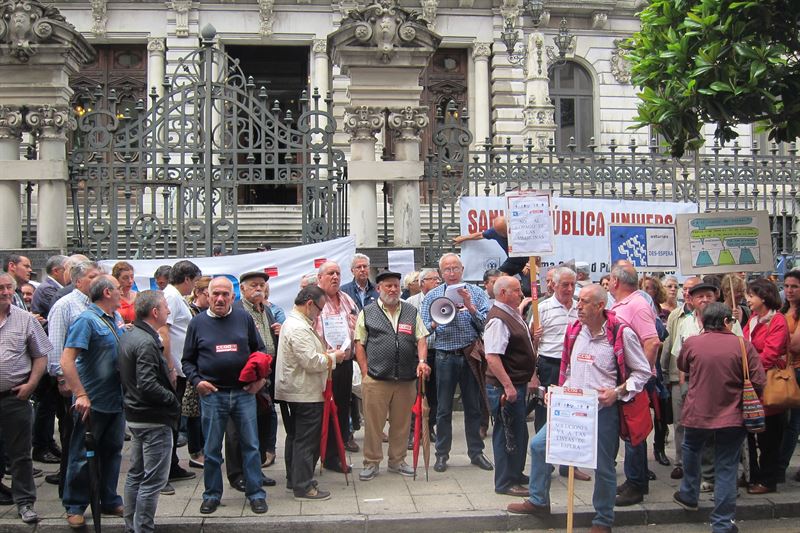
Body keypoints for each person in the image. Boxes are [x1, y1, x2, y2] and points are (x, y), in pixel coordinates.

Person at [508, 284, 651, 533]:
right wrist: (559, 392)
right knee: (539, 446)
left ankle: (603, 520)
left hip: (602, 410)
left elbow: (642, 372)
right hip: (571, 406)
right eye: (579, 301)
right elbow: (570, 369)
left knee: (603, 466)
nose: (579, 306)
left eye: (584, 302)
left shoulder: (620, 333)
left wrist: (616, 392)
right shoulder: (575, 329)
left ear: (600, 306)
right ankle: (539, 500)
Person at [674, 302, 766, 533]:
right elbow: (759, 381)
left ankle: (689, 493)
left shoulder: (693, 342)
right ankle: (722, 523)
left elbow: (682, 364)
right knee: (726, 466)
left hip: (697, 413)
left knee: (691, 450)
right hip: (732, 415)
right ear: (726, 321)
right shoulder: (742, 346)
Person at [181, 277, 268, 515]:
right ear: (207, 296)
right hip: (213, 395)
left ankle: (256, 494)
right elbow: (187, 361)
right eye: (215, 294)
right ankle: (211, 495)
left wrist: (259, 380)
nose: (220, 299)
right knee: (211, 449)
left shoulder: (244, 319)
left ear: (233, 296)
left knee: (251, 446)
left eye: (225, 294)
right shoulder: (197, 323)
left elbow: (260, 351)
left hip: (243, 394)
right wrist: (198, 382)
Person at [60, 275, 127, 528]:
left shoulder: (115, 319)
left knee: (112, 452)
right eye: (119, 289)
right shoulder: (86, 321)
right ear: (107, 292)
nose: (123, 292)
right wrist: (81, 394)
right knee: (81, 455)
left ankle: (108, 499)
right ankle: (75, 505)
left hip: (115, 400)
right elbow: (67, 360)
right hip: (93, 402)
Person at [354, 271, 430, 481]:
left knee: (401, 423)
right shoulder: (367, 312)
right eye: (388, 286)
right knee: (373, 424)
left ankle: (397, 461)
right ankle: (371, 461)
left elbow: (421, 338)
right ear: (379, 289)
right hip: (376, 378)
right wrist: (364, 371)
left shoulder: (410, 310)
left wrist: (422, 362)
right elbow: (359, 344)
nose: (393, 290)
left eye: (396, 285)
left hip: (406, 378)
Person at [421, 253, 492, 473]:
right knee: (443, 408)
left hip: (470, 354)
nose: (451, 273)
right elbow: (424, 331)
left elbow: (486, 326)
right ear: (441, 274)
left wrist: (470, 307)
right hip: (444, 356)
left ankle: (476, 452)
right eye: (447, 270)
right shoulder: (432, 295)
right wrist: (438, 322)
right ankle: (442, 454)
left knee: (473, 406)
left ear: (462, 270)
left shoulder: (477, 293)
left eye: (455, 268)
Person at [275, 285, 345, 500]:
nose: (320, 313)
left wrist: (326, 354)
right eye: (320, 308)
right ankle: (303, 486)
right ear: (309, 304)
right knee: (306, 441)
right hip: (304, 392)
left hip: (298, 390)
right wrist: (334, 358)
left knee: (296, 438)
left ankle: (294, 479)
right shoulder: (298, 327)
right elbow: (311, 362)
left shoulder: (297, 323)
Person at [119, 290, 180, 533]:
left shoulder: (132, 334)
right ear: (155, 312)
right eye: (165, 307)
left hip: (137, 416)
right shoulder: (144, 341)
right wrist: (172, 402)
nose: (168, 311)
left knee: (136, 475)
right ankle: (143, 528)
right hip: (152, 419)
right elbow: (147, 384)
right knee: (152, 481)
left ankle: (131, 527)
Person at [607, 261, 661, 507]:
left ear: (616, 281)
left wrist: (640, 377)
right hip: (627, 379)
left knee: (635, 432)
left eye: (609, 279)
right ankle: (633, 479)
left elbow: (652, 342)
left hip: (634, 382)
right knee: (629, 431)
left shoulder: (637, 304)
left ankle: (637, 484)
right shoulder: (625, 304)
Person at [45, 261, 102, 490]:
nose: (97, 280)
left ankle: (91, 486)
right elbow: (56, 347)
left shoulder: (94, 305)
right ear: (78, 281)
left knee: (88, 437)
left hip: (91, 383)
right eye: (92, 276)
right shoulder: (64, 306)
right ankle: (68, 489)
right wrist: (62, 379)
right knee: (73, 438)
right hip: (71, 384)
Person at [0, 272, 52, 524]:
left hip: (14, 397)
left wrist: (31, 384)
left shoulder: (24, 320)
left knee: (20, 454)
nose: (6, 292)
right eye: (1, 288)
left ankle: (25, 502)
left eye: (9, 287)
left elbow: (41, 354)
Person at [531, 266, 591, 482]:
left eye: (572, 284)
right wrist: (534, 337)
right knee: (544, 415)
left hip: (574, 368)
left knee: (573, 415)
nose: (568, 288)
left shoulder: (580, 308)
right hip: (549, 365)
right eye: (564, 284)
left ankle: (569, 466)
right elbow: (532, 344)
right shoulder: (542, 308)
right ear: (553, 285)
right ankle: (545, 465)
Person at [225, 271, 280, 490]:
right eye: (254, 285)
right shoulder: (236, 311)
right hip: (244, 378)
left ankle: (254, 471)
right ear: (242, 289)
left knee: (258, 428)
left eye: (262, 285)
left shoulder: (265, 310)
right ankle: (237, 474)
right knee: (237, 430)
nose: (259, 288)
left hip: (264, 377)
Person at [484, 276, 537, 497]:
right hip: (505, 387)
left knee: (517, 431)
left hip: (516, 383)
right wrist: (508, 385)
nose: (521, 293)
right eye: (516, 290)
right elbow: (492, 357)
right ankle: (505, 481)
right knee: (506, 434)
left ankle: (515, 472)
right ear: (503, 293)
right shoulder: (498, 319)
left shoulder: (511, 313)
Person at [742, 278, 789, 494]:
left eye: (751, 295)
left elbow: (771, 353)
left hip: (769, 385)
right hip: (752, 386)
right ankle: (754, 475)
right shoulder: (752, 319)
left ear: (763, 296)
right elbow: (743, 346)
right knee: (751, 435)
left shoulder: (777, 321)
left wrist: (749, 366)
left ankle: (768, 479)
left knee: (769, 438)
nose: (747, 299)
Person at [159, 260, 201, 491]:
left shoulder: (175, 297)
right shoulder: (173, 298)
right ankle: (163, 472)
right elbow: (163, 330)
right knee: (169, 423)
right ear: (186, 279)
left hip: (180, 368)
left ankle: (172, 465)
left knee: (175, 422)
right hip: (175, 369)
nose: (193, 287)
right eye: (194, 282)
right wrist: (169, 366)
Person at [314, 261, 359, 471]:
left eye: (338, 274)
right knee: (319, 411)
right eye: (330, 273)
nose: (335, 277)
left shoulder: (347, 299)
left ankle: (335, 456)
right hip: (322, 364)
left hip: (345, 363)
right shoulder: (313, 300)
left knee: (341, 409)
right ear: (319, 278)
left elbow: (358, 327)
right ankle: (316, 455)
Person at [661, 276, 701, 479]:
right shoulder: (676, 315)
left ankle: (701, 463)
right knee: (680, 423)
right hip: (678, 377)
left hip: (702, 378)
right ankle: (680, 462)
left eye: (691, 289)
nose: (686, 293)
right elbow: (669, 346)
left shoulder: (710, 314)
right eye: (684, 289)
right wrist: (665, 374)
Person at [406, 268, 442, 436]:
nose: (437, 282)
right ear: (422, 283)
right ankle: (415, 429)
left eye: (438, 279)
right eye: (433, 279)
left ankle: (429, 426)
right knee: (417, 392)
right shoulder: (411, 303)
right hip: (417, 354)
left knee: (435, 393)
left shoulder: (443, 300)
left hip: (438, 351)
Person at [184, 275, 211, 468]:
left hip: (207, 368)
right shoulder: (191, 312)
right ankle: (195, 451)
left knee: (204, 411)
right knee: (194, 411)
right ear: (201, 293)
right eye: (210, 293)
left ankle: (205, 448)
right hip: (194, 369)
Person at [778, 270, 800, 482]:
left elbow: (794, 344)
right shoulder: (783, 312)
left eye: (794, 286)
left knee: (794, 422)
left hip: (797, 370)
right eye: (787, 286)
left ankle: (781, 465)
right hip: (785, 370)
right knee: (785, 422)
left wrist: (776, 338)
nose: (789, 290)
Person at [453, 215, 528, 276]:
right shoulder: (494, 232)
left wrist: (530, 264)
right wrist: (463, 238)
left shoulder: (520, 231)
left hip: (528, 261)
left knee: (527, 289)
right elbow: (480, 235)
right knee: (498, 278)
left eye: (503, 231)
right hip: (512, 261)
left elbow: (536, 247)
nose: (502, 234)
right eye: (499, 232)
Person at [31, 254, 68, 319]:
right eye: (67, 269)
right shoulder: (47, 289)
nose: (71, 273)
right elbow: (66, 310)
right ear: (56, 271)